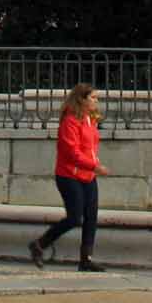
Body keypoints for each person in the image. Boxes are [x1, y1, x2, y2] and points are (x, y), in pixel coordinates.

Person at [28, 84, 104, 272]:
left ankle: (86, 259)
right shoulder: (70, 121)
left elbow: (89, 148)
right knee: (74, 217)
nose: (97, 101)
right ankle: (39, 244)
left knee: (91, 217)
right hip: (69, 175)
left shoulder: (90, 120)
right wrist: (94, 165)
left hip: (88, 175)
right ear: (82, 99)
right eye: (93, 97)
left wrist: (93, 165)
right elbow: (72, 153)